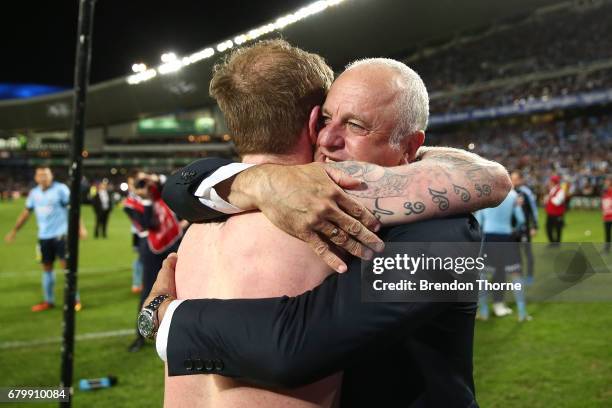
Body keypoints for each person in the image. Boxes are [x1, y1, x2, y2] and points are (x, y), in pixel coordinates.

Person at [150, 40, 511, 407]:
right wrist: (259, 181)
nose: (327, 139)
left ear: (409, 146)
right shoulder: (303, 204)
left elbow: (299, 345)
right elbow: (182, 186)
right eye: (325, 119)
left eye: (355, 125)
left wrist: (165, 317)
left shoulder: (445, 236)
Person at [4, 166, 86, 312]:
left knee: (67, 268)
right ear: (36, 178)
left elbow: (73, 209)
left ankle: (75, 300)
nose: (43, 177)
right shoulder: (34, 194)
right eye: (40, 175)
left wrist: (80, 227)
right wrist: (14, 231)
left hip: (62, 236)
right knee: (46, 269)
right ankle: (48, 301)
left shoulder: (61, 189)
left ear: (51, 176)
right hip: (44, 237)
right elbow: (26, 213)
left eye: (46, 174)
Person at [124, 171, 185, 352]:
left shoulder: (160, 190)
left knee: (183, 286)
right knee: (149, 292)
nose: (143, 184)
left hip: (174, 242)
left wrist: (156, 179)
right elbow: (147, 223)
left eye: (145, 179)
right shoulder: (130, 204)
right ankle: (141, 334)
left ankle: (183, 330)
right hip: (151, 250)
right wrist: (146, 200)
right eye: (139, 181)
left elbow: (175, 182)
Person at [475, 189, 529, 321]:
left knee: (483, 274)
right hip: (507, 236)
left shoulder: (484, 194)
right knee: (515, 274)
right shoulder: (513, 195)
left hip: (489, 237)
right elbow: (521, 219)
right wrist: (513, 229)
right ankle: (522, 313)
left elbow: (478, 221)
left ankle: (484, 312)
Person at [511, 170, 539, 283]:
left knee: (527, 252)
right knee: (516, 254)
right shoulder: (509, 192)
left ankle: (530, 275)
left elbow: (533, 210)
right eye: (512, 178)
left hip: (525, 228)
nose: (513, 181)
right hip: (513, 230)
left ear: (521, 180)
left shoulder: (526, 192)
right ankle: (520, 276)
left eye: (516, 179)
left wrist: (534, 226)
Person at [544, 174, 566, 246]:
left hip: (557, 214)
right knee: (548, 228)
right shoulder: (552, 190)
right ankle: (552, 242)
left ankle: (557, 243)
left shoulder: (560, 190)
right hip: (550, 213)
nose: (549, 182)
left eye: (551, 181)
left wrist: (549, 198)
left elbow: (557, 202)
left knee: (557, 229)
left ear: (554, 182)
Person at [602, 176, 612, 253]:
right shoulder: (605, 193)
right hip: (606, 217)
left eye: (607, 181)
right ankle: (607, 249)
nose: (605, 183)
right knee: (607, 234)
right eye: (605, 181)